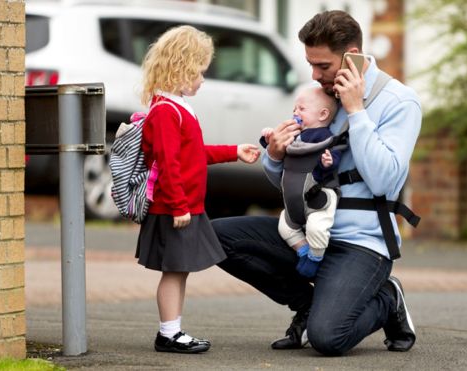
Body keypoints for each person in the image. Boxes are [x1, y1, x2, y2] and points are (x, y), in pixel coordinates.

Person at [212, 10, 421, 356]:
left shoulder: (399, 102)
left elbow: (385, 180)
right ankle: (309, 305)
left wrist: (356, 112)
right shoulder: (319, 96)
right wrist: (276, 156)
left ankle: (387, 299)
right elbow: (290, 179)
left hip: (361, 242)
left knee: (328, 338)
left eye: (323, 66)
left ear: (352, 54)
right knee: (216, 237)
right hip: (305, 231)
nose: (314, 75)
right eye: (311, 64)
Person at [135, 25, 260, 354]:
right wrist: (179, 206)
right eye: (200, 72)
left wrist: (234, 151)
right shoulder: (165, 111)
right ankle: (169, 333)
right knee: (174, 271)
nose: (203, 80)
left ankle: (172, 330)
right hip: (173, 208)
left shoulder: (177, 106)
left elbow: (193, 154)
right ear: (182, 67)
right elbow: (167, 162)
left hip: (183, 205)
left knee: (180, 271)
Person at [261, 86, 340, 278]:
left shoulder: (323, 136)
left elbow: (333, 156)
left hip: (318, 200)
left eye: (302, 109)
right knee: (285, 227)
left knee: (317, 228)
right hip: (294, 204)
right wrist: (270, 138)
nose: (296, 113)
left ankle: (315, 258)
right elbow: (277, 146)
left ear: (322, 114)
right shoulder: (297, 134)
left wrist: (328, 161)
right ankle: (303, 250)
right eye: (294, 109)